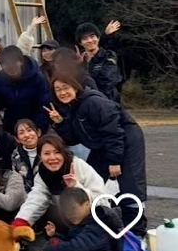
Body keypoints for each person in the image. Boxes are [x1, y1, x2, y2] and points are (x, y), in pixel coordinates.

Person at [48, 75, 148, 237]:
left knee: (131, 184)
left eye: (65, 88)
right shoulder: (71, 107)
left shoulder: (93, 102)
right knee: (91, 177)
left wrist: (114, 161)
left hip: (125, 141)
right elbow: (73, 138)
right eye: (57, 90)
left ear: (75, 87)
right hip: (102, 146)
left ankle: (137, 233)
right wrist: (60, 122)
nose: (62, 93)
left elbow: (113, 131)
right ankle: (98, 224)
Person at [23, 187, 122, 251]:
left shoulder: (98, 225)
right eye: (66, 210)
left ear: (87, 204)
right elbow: (71, 241)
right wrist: (54, 235)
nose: (69, 214)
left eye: (73, 208)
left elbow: (74, 247)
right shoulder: (84, 221)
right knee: (55, 242)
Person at [12, 134, 106, 230]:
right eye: (47, 153)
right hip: (67, 222)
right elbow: (37, 198)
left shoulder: (77, 165)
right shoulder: (43, 173)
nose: (52, 157)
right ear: (40, 156)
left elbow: (102, 200)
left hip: (94, 222)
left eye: (57, 152)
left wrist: (76, 186)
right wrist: (22, 220)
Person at [0, 45, 52, 134]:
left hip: (34, 125)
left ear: (21, 61)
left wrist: (39, 127)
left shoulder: (38, 78)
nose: (11, 68)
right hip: (12, 126)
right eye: (6, 64)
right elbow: (0, 105)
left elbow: (44, 105)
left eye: (13, 63)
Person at [75, 22, 122, 102]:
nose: (89, 40)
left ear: (98, 38)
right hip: (87, 104)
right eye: (85, 38)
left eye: (92, 36)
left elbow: (107, 83)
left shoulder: (108, 56)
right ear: (80, 43)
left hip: (108, 103)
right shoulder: (80, 62)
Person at [11, 119, 43, 192]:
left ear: (38, 132)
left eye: (29, 130)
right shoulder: (15, 155)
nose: (27, 135)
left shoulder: (48, 149)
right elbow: (17, 180)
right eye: (21, 133)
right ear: (17, 139)